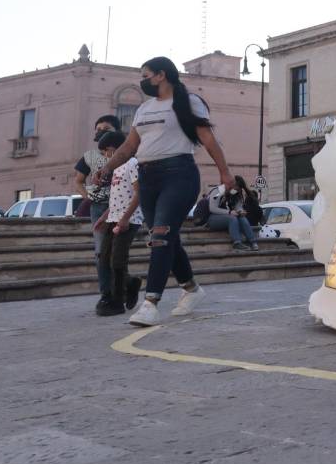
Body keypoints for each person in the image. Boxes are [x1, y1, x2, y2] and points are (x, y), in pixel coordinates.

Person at [95, 57, 234, 326]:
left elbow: (207, 139)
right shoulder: (144, 109)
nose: (142, 81)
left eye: (145, 75)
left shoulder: (188, 102)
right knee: (166, 237)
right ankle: (191, 289)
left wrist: (225, 172)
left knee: (160, 235)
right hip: (148, 177)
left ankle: (150, 303)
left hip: (179, 174)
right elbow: (129, 147)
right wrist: (107, 168)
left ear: (161, 75)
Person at [91, 132, 143, 316]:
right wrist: (104, 217)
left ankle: (118, 301)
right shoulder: (116, 169)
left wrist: (125, 218)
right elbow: (117, 198)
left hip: (129, 219)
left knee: (118, 261)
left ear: (119, 149)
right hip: (113, 218)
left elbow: (139, 193)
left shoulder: (132, 164)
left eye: (108, 151)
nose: (106, 156)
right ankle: (131, 283)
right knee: (104, 258)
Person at [73, 115, 121, 300]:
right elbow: (78, 181)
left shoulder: (127, 154)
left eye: (106, 129)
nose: (101, 132)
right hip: (99, 207)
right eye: (98, 129)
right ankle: (106, 293)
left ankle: (121, 287)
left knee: (118, 250)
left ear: (116, 132)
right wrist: (89, 198)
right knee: (101, 251)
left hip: (122, 206)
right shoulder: (89, 157)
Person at [206, 176, 262, 251]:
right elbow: (212, 208)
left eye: (238, 189)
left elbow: (237, 207)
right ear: (232, 184)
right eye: (236, 188)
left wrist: (240, 211)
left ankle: (253, 242)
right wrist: (229, 212)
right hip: (211, 218)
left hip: (225, 218)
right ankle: (237, 243)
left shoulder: (234, 194)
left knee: (241, 218)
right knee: (232, 218)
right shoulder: (218, 191)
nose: (236, 190)